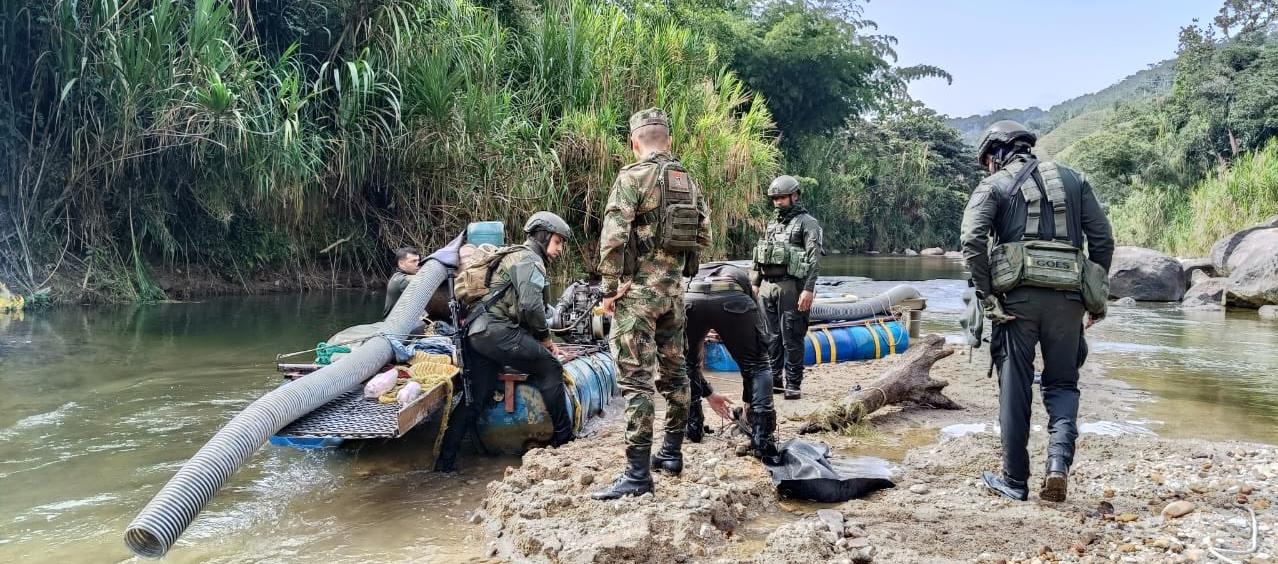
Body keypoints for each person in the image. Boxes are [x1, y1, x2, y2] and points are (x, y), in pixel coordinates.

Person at [960, 120, 1114, 502]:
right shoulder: (1074, 180)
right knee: (1063, 384)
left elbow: (972, 240)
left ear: (996, 154)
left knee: (1015, 386)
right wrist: (1094, 297)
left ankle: (1014, 480)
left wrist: (987, 295)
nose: (988, 168)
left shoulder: (993, 186)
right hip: (1068, 301)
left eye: (987, 161)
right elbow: (1103, 241)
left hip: (1016, 304)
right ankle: (1058, 465)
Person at [592, 108, 710, 500]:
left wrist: (610, 288)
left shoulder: (632, 177)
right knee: (675, 374)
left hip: (638, 296)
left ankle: (638, 475)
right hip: (674, 296)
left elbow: (614, 235)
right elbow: (703, 236)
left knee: (635, 380)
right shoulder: (689, 182)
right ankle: (672, 454)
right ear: (669, 141)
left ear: (634, 142)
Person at [434, 212, 576, 472]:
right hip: (497, 332)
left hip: (476, 335)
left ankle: (444, 464)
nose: (560, 249)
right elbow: (532, 307)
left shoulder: (512, 255)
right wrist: (545, 340)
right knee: (551, 368)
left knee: (474, 398)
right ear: (543, 237)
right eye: (558, 242)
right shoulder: (531, 260)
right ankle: (565, 440)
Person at [684, 262, 781, 465]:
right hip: (731, 299)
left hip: (691, 298)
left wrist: (708, 393)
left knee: (689, 364)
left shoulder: (693, 271)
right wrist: (748, 401)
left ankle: (693, 427)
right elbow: (756, 357)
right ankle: (762, 438)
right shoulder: (741, 277)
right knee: (759, 365)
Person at [750, 175, 823, 400]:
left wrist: (808, 290)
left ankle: (793, 384)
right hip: (767, 288)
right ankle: (775, 382)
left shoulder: (808, 223)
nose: (778, 202)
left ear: (794, 196)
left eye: (782, 198)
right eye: (775, 199)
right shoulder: (772, 223)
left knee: (792, 336)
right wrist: (754, 283)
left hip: (792, 287)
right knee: (770, 337)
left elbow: (814, 259)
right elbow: (760, 253)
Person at [383, 247, 421, 317]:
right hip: (394, 324)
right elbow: (423, 279)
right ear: (401, 264)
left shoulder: (398, 276)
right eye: (413, 261)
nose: (418, 264)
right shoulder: (400, 280)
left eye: (418, 260)